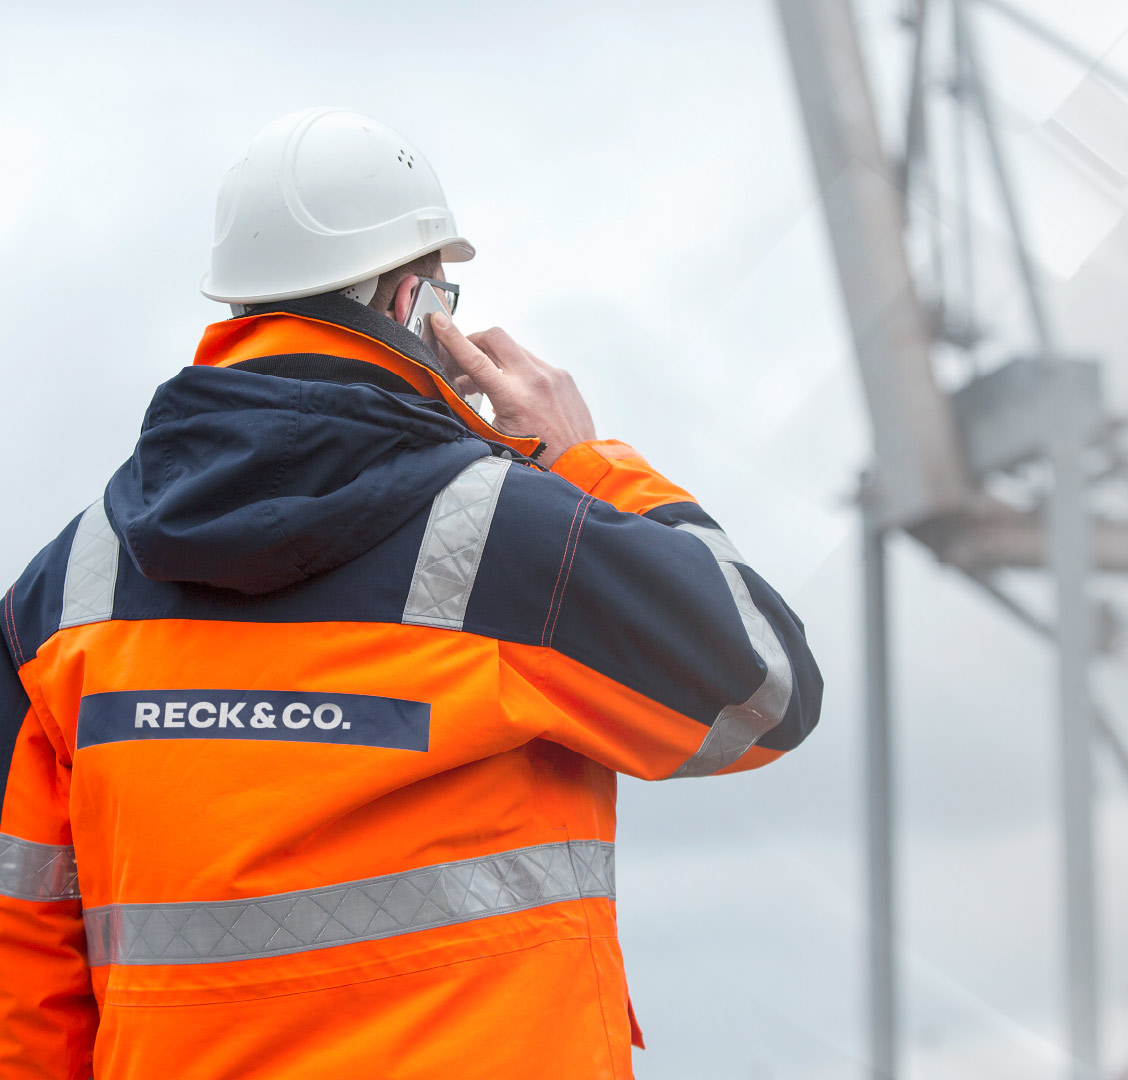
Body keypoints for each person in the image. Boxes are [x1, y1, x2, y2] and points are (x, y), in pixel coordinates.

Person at [0, 106, 823, 1079]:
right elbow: (765, 686)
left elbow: (25, 957)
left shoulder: (68, 591)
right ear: (412, 303)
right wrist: (588, 460)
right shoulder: (510, 543)